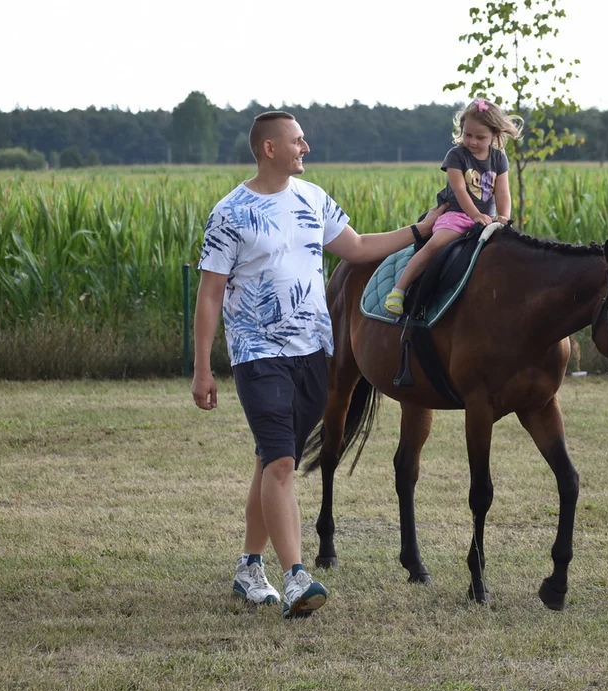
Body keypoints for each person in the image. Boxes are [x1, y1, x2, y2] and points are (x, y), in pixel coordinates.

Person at [191, 111, 446, 619]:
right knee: (284, 464)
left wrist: (419, 230)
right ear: (269, 149)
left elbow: (356, 247)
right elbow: (210, 293)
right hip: (258, 352)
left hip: (313, 352)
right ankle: (296, 577)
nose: (305, 146)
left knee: (271, 458)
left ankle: (248, 566)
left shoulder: (312, 199)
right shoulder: (230, 213)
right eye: (297, 140)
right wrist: (202, 366)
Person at [384, 97, 520, 315]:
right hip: (457, 214)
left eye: (480, 137)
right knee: (435, 245)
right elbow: (459, 189)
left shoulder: (499, 158)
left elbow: (503, 191)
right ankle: (399, 290)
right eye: (468, 135)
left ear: (494, 134)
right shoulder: (456, 155)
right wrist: (475, 215)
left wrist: (503, 217)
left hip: (487, 219)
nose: (473, 141)